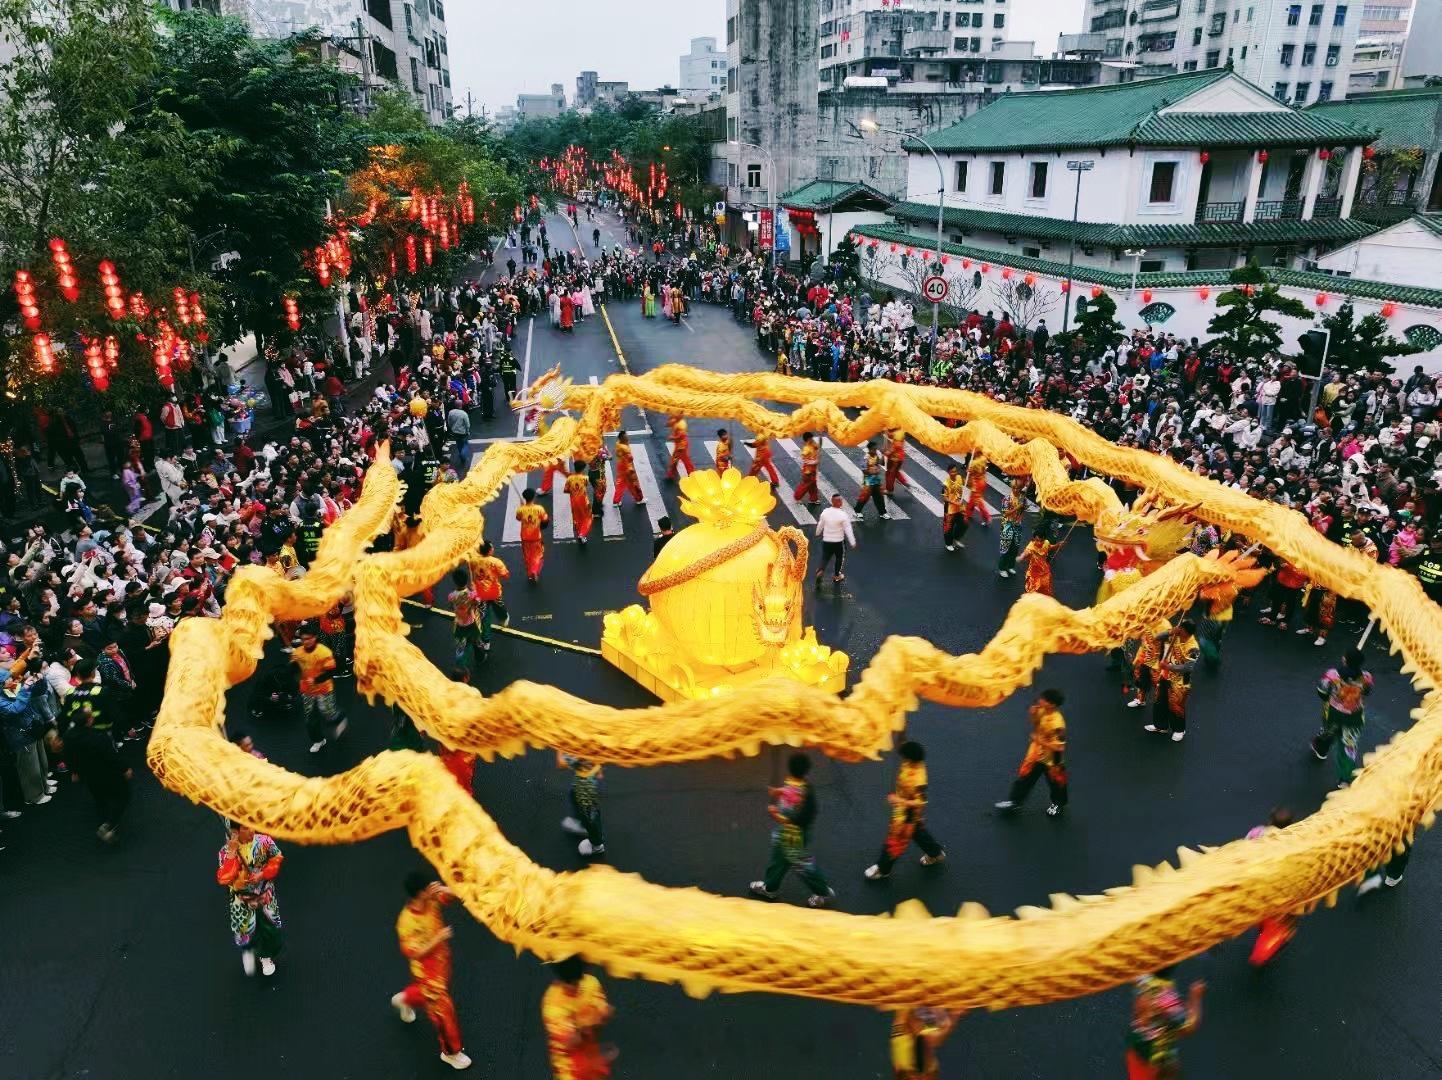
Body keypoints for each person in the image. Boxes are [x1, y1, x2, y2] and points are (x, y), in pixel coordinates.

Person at [391, 871, 472, 1071]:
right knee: (444, 1012)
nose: (434, 888)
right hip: (428, 975)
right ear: (420, 894)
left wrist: (445, 889)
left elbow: (461, 896)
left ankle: (407, 999)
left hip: (442, 964)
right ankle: (451, 1053)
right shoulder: (407, 921)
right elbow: (413, 953)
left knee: (429, 999)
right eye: (429, 888)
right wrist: (438, 939)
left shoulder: (433, 898)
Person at [749, 751, 835, 907]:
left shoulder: (803, 795)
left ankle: (823, 892)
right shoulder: (801, 783)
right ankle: (770, 887)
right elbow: (790, 791)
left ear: (790, 768)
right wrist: (779, 791)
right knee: (779, 862)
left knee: (802, 865)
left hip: (793, 837)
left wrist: (775, 815)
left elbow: (796, 821)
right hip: (787, 835)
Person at [864, 740, 946, 880]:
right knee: (918, 834)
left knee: (894, 842)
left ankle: (883, 869)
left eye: (905, 757)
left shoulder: (919, 779)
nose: (903, 759)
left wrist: (899, 800)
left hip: (908, 815)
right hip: (903, 811)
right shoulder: (910, 763)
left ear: (910, 758)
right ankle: (935, 853)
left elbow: (920, 802)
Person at [216, 822, 284, 977]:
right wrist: (232, 854)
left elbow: (277, 858)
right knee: (245, 930)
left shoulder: (264, 842)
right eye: (245, 828)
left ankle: (265, 956)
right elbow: (224, 878)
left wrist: (262, 874)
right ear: (234, 832)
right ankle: (247, 950)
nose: (251, 830)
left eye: (251, 825)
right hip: (242, 901)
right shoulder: (224, 853)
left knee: (270, 928)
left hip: (264, 896)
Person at [994, 688, 1068, 817]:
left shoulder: (1058, 724)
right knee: (1024, 779)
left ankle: (1058, 805)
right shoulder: (1041, 710)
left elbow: (1060, 748)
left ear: (1052, 705)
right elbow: (1036, 725)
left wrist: (1039, 741)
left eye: (1044, 700)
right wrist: (1033, 715)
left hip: (1052, 761)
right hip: (1036, 755)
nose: (1040, 700)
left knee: (1057, 784)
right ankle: (1014, 802)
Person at [542, 955, 615, 1080]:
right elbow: (571, 1041)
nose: (574, 985)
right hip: (569, 1072)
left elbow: (604, 1013)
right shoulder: (552, 1003)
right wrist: (591, 1020)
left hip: (593, 1065)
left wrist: (598, 1016)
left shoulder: (591, 983)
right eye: (568, 980)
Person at [1126, 966, 1205, 1079]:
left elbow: (1131, 974)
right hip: (1153, 1057)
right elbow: (1189, 1026)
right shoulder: (1166, 997)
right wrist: (1195, 996)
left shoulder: (1143, 980)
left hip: (1138, 1049)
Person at [1311, 647, 1374, 787]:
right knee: (1349, 747)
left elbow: (1322, 691)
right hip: (1355, 717)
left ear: (1345, 659)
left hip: (1333, 714)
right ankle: (1345, 779)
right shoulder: (1367, 678)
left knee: (1328, 733)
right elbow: (1368, 691)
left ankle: (1321, 750)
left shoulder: (1332, 675)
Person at [1143, 620, 1200, 743]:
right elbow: (1157, 637)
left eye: (1180, 629)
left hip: (1180, 681)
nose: (1178, 629)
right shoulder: (1175, 635)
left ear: (1184, 631)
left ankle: (1179, 730)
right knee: (1159, 700)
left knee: (1176, 706)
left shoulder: (1193, 647)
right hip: (1165, 675)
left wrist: (1168, 667)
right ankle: (1160, 726)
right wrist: (1170, 632)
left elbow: (1188, 667)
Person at [291, 625, 346, 753]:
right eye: (304, 639)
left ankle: (340, 717)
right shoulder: (297, 652)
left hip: (324, 688)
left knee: (328, 713)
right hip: (307, 690)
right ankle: (319, 740)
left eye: (309, 638)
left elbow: (332, 671)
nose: (307, 641)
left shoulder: (324, 652)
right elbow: (295, 669)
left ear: (315, 638)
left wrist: (316, 680)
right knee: (309, 718)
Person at [891, 1005, 959, 1080]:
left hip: (908, 1030)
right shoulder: (927, 1067)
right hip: (907, 1030)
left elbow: (918, 1033)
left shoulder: (921, 1068)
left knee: (937, 1030)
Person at [558, 751, 605, 857]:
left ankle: (597, 845)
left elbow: (561, 764)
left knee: (590, 816)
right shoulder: (593, 745)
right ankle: (583, 824)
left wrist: (559, 749)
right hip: (587, 780)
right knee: (575, 797)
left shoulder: (579, 752)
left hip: (585, 789)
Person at [814, 492, 857, 585]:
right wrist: (852, 542)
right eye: (840, 500)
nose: (841, 502)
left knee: (825, 557)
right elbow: (848, 530)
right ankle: (837, 575)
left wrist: (817, 533)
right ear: (839, 502)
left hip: (826, 541)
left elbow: (820, 525)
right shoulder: (843, 515)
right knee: (839, 558)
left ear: (832, 502)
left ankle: (820, 571)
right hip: (838, 542)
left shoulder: (825, 512)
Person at [447, 567, 483, 671]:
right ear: (467, 580)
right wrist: (474, 591)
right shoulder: (471, 594)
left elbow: (451, 606)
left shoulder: (451, 596)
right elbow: (478, 602)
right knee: (476, 642)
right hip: (472, 623)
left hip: (459, 624)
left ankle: (460, 666)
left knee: (461, 647)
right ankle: (480, 657)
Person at [516, 486, 550, 583]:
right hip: (536, 537)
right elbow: (545, 519)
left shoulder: (520, 510)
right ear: (533, 497)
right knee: (538, 554)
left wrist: (522, 506)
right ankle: (534, 570)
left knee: (527, 556)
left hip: (525, 537)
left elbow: (518, 518)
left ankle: (530, 574)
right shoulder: (539, 509)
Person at [854, 442, 890, 521]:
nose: (876, 450)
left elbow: (882, 463)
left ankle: (882, 512)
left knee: (879, 496)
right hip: (868, 480)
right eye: (874, 449)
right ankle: (857, 510)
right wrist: (872, 472)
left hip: (876, 480)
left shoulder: (876, 455)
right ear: (870, 449)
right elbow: (864, 470)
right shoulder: (865, 458)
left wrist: (883, 454)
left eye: (876, 449)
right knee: (865, 496)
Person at [1017, 529, 1058, 596]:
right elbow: (1026, 552)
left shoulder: (1046, 543)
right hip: (1034, 572)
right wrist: (1021, 557)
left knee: (1045, 585)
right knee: (1033, 589)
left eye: (1041, 541)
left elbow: (1049, 547)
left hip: (1044, 569)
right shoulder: (1031, 546)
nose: (1039, 542)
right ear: (1033, 539)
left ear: (1044, 539)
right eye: (1037, 540)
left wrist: (1057, 545)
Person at [610, 431, 645, 506]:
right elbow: (630, 458)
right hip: (627, 468)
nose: (627, 437)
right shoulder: (625, 448)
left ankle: (616, 501)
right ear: (623, 438)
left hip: (621, 466)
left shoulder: (618, 444)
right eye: (626, 437)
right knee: (634, 484)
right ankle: (639, 499)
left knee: (620, 484)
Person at [565, 462, 593, 547]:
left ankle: (579, 533)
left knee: (577, 518)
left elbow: (566, 490)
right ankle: (582, 533)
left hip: (573, 501)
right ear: (583, 469)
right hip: (583, 501)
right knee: (588, 517)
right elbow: (585, 486)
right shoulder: (585, 478)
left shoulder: (569, 478)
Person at [940, 463, 967, 552]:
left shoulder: (959, 478)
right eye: (952, 472)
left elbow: (968, 484)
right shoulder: (946, 484)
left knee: (964, 523)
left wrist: (970, 473)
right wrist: (954, 502)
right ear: (948, 472)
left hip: (960, 507)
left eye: (955, 471)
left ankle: (956, 538)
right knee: (948, 528)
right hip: (950, 509)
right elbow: (944, 498)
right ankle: (948, 544)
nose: (954, 473)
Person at [793, 431, 821, 507]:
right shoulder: (806, 448)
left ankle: (813, 499)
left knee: (813, 485)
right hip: (808, 470)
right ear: (808, 439)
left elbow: (817, 447)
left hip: (813, 469)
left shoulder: (812, 445)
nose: (812, 439)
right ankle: (797, 497)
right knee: (806, 485)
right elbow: (805, 460)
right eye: (811, 438)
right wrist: (814, 461)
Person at [963, 455, 992, 526]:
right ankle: (967, 514)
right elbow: (985, 469)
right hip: (982, 481)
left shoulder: (973, 463)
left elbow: (969, 472)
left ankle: (986, 517)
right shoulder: (983, 458)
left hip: (976, 484)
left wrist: (969, 470)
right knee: (972, 500)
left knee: (978, 501)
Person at [883, 429, 911, 494]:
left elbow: (890, 452)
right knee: (895, 473)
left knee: (890, 475)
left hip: (894, 461)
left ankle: (889, 490)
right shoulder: (900, 437)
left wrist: (885, 453)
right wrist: (887, 431)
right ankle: (903, 481)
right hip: (898, 460)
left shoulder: (897, 444)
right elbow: (891, 435)